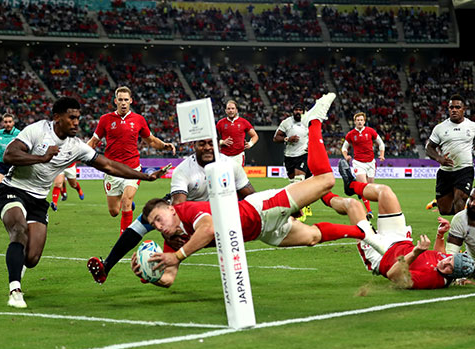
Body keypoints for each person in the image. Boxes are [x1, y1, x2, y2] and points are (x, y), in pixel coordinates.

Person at [135, 93, 370, 287]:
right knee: (312, 237)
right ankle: (364, 233)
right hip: (261, 232)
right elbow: (168, 278)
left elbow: (208, 228)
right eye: (154, 224)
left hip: (261, 209)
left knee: (327, 180)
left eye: (158, 218)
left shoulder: (188, 209)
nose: (157, 226)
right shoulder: (171, 238)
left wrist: (176, 257)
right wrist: (149, 274)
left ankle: (314, 121)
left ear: (169, 209)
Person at [0, 97, 170, 309]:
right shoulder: (37, 130)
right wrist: (42, 158)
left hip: (39, 199)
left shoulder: (76, 146)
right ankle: (15, 290)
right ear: (57, 118)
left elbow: (109, 166)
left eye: (78, 118)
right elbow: (9, 155)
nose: (76, 122)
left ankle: (18, 266)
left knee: (32, 258)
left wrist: (145, 176)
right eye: (71, 118)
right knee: (18, 228)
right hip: (13, 189)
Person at [87, 138, 256, 284]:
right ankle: (106, 267)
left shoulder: (230, 165)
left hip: (213, 210)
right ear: (193, 145)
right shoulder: (184, 169)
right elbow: (178, 208)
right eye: (201, 144)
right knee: (144, 220)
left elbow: (252, 197)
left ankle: (154, 268)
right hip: (185, 209)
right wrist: (169, 234)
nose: (206, 148)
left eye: (211, 143)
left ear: (218, 145)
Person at [338, 165, 475, 289]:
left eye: (448, 268)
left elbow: (394, 276)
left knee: (352, 205)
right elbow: (439, 255)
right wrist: (440, 236)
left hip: (382, 255)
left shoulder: (430, 280)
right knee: (385, 192)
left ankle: (323, 193)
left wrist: (415, 253)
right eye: (449, 260)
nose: (444, 263)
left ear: (452, 277)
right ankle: (350, 185)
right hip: (400, 240)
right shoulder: (447, 261)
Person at [87, 86, 176, 234]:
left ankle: (124, 237)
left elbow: (151, 141)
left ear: (131, 101)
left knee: (126, 201)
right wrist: (78, 151)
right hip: (112, 169)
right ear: (115, 101)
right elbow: (94, 142)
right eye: (120, 100)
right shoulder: (105, 119)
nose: (123, 103)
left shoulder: (138, 120)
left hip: (132, 168)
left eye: (126, 100)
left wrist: (164, 146)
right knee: (114, 211)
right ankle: (127, 204)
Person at [425, 94, 475, 215]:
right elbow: (429, 148)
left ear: (464, 109)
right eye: (451, 107)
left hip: (464, 170)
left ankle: (460, 230)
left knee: (459, 199)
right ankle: (465, 207)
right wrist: (439, 158)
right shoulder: (440, 128)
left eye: (457, 107)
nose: (454, 110)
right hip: (445, 172)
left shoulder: (473, 127)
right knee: (444, 211)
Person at [339, 112, 385, 219]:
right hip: (358, 163)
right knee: (364, 186)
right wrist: (346, 156)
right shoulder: (351, 134)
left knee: (369, 188)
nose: (359, 122)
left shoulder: (370, 131)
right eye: (357, 120)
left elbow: (381, 143)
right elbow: (344, 148)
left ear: (364, 121)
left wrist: (381, 155)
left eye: (361, 120)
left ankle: (355, 186)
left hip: (371, 163)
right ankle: (369, 211)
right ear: (355, 122)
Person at [273, 103, 312, 221]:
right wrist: (287, 139)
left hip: (303, 155)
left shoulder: (308, 122)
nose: (298, 112)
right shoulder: (286, 123)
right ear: (293, 111)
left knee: (298, 182)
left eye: (300, 110)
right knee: (292, 185)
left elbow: (315, 135)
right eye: (296, 110)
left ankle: (300, 211)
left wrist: (311, 146)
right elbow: (276, 138)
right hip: (289, 156)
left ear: (303, 112)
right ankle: (306, 204)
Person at [0, 114, 21, 224]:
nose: (7, 124)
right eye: (5, 122)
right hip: (2, 164)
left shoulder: (18, 133)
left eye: (9, 122)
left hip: (14, 164)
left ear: (13, 123)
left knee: (17, 190)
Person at [216, 100, 259, 167]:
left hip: (238, 156)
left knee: (238, 177)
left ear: (236, 110)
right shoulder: (220, 123)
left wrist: (250, 143)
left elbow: (255, 136)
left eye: (233, 108)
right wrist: (222, 142)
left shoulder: (244, 122)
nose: (231, 110)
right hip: (224, 155)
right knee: (225, 177)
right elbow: (213, 139)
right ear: (225, 111)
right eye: (228, 109)